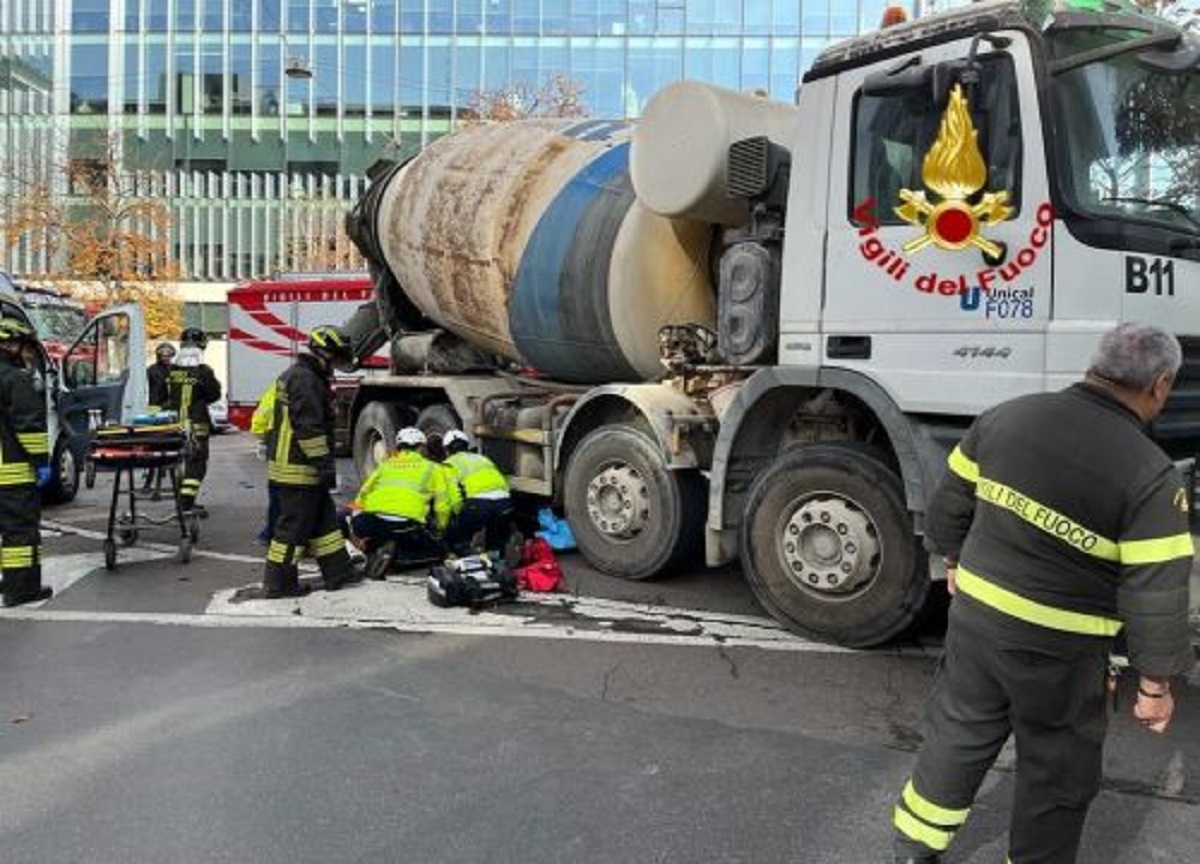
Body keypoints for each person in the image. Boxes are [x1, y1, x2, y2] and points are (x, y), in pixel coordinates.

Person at [892, 323, 1195, 864]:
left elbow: (949, 505)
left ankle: (914, 847)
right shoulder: (1149, 474)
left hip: (978, 619)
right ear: (1161, 384)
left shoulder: (1008, 416)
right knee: (1056, 769)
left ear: (1094, 366)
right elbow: (1156, 591)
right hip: (1061, 648)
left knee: (958, 732)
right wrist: (1155, 682)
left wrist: (954, 560)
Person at [262, 325, 361, 598]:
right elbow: (309, 429)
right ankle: (278, 583)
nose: (339, 365)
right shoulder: (306, 380)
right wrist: (324, 467)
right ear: (325, 354)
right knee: (293, 529)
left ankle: (338, 573)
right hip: (298, 468)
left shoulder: (305, 376)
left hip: (300, 466)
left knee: (324, 523)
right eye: (338, 358)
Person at [343, 426, 454, 568]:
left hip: (370, 522)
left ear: (399, 447)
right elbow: (442, 505)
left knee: (372, 530)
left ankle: (376, 548)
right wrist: (441, 529)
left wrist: (354, 519)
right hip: (405, 525)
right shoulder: (433, 468)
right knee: (438, 552)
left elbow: (362, 494)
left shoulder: (386, 465)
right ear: (420, 448)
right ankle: (399, 559)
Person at [0, 319, 54, 608]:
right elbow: (29, 426)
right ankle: (21, 589)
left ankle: (9, 579)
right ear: (10, 344)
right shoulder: (16, 379)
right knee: (19, 532)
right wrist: (41, 462)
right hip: (11, 473)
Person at [165, 327, 222, 514]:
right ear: (202, 346)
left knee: (177, 462)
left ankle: (182, 500)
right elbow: (214, 395)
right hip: (197, 425)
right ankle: (187, 503)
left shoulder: (171, 370)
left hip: (173, 424)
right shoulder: (204, 371)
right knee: (197, 464)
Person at [442, 429, 513, 554]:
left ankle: (466, 563)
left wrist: (460, 516)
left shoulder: (448, 464)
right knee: (495, 542)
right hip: (504, 503)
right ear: (467, 446)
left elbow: (454, 497)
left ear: (447, 450)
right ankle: (496, 563)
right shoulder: (483, 459)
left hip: (479, 504)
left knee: (456, 538)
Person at [250, 383, 280, 544]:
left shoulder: (278, 387)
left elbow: (260, 420)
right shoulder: (312, 386)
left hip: (275, 445)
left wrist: (263, 437)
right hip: (298, 452)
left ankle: (270, 533)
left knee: (276, 491)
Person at [146, 342, 176, 410]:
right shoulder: (151, 370)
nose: (166, 358)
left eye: (168, 356)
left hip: (171, 404)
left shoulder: (175, 369)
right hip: (155, 405)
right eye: (163, 356)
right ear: (159, 356)